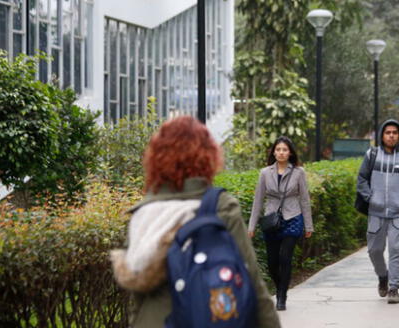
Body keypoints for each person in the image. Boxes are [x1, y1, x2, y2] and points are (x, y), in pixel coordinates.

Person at [110, 116, 281, 328]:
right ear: (207, 157)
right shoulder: (221, 206)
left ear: (155, 159)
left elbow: (136, 299)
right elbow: (252, 281)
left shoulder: (143, 215)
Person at [357, 119, 399, 304]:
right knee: (374, 251)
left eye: (394, 132)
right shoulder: (372, 155)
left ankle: (394, 288)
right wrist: (369, 197)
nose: (391, 135)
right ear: (382, 135)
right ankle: (382, 276)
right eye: (388, 132)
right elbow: (362, 179)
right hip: (375, 213)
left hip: (398, 215)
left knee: (396, 251)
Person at [248, 136, 314, 311]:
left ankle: (282, 296)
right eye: (278, 149)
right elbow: (258, 200)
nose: (281, 152)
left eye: (284, 149)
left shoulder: (298, 172)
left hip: (293, 217)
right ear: (273, 152)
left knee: (285, 258)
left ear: (290, 152)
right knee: (272, 263)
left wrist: (308, 225)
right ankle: (280, 287)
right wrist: (251, 226)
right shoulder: (265, 173)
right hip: (271, 220)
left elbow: (305, 200)